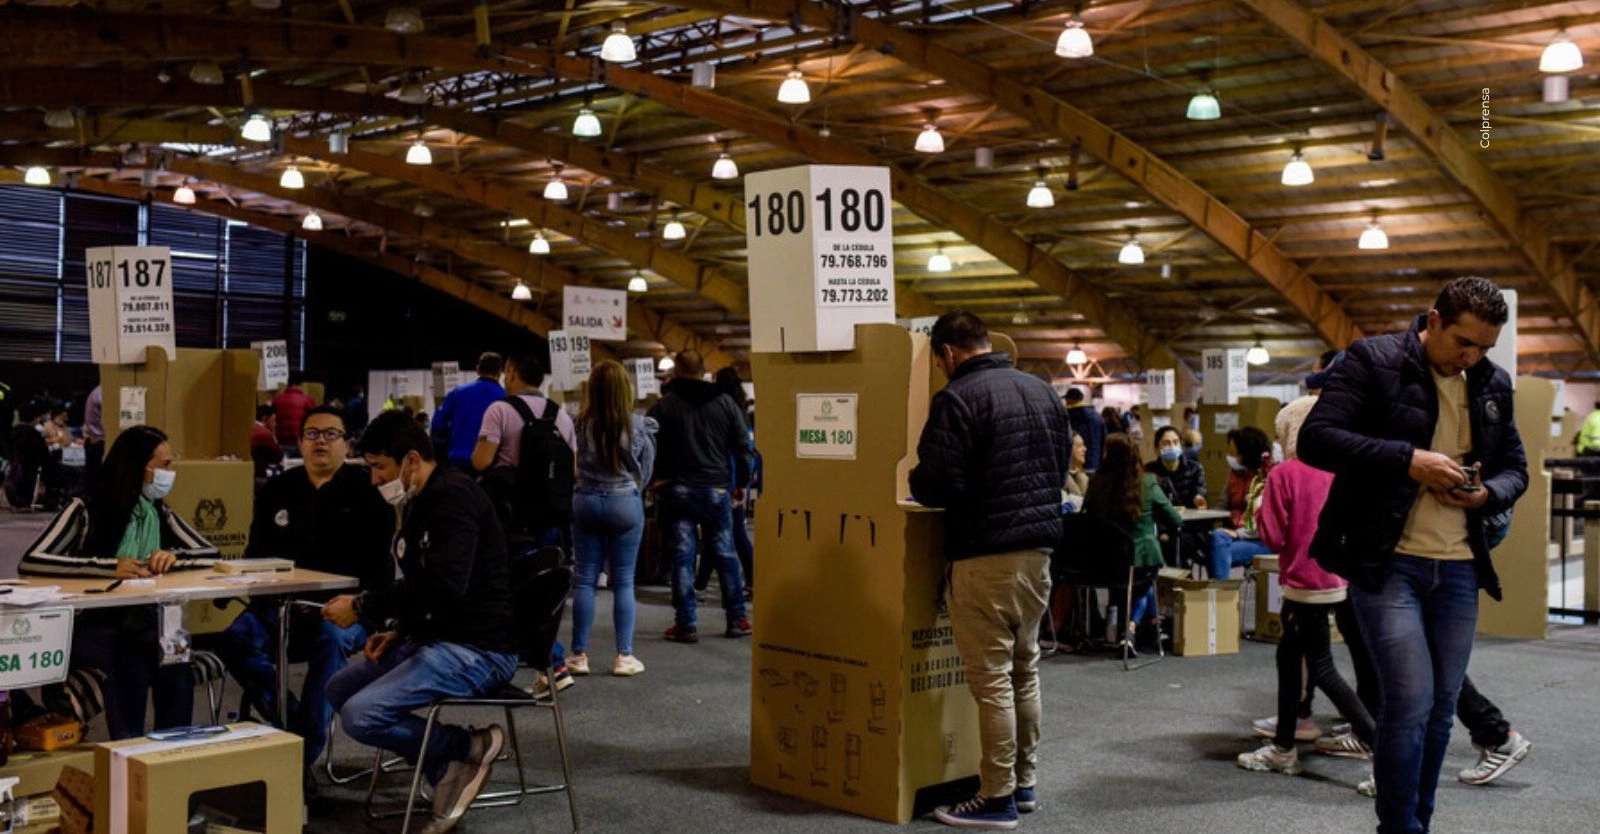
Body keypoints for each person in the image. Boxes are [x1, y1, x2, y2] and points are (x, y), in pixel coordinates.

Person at [1300, 276, 1528, 834]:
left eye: (1483, 348)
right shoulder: (1373, 361)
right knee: (1409, 701)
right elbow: (1317, 439)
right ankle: (1398, 828)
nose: (1471, 357)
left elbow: (1515, 468)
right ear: (1432, 321)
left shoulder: (1492, 383)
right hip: (1387, 561)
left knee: (1441, 708)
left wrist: (1485, 493)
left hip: (1458, 566)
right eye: (1462, 343)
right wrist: (1409, 460)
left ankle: (1418, 822)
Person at [909, 311, 1069, 829]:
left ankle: (996, 796)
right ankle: (1024, 783)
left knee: (992, 680)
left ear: (949, 352)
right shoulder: (1043, 391)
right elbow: (1061, 465)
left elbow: (935, 482)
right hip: (1039, 554)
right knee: (1026, 670)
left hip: (985, 554)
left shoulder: (958, 398)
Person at [322, 412, 518, 834]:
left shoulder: (454, 499)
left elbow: (445, 586)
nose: (375, 479)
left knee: (361, 716)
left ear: (410, 460)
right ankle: (450, 767)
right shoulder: (423, 501)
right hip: (439, 637)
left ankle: (466, 748)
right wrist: (402, 631)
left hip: (479, 649)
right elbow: (430, 591)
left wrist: (362, 606)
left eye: (379, 467)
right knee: (338, 689)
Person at [218, 405, 394, 770]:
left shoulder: (368, 492)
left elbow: (380, 569)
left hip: (346, 610)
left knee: (329, 640)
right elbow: (256, 555)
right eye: (312, 434)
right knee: (234, 637)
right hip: (279, 605)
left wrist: (356, 605)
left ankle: (302, 757)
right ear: (298, 442)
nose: (321, 442)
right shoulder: (277, 490)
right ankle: (294, 725)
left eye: (331, 434)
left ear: (347, 444)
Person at [20, 425, 217, 739]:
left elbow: (211, 553)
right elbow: (33, 560)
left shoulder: (158, 513)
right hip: (91, 626)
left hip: (148, 622)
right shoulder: (85, 509)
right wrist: (108, 567)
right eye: (164, 465)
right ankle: (130, 753)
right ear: (137, 467)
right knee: (132, 658)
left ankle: (174, 751)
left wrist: (174, 557)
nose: (171, 472)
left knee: (176, 657)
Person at [1237, 395, 1377, 791]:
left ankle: (1384, 750)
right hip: (1336, 578)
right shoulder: (1339, 470)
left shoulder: (1286, 474)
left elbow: (1274, 536)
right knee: (1288, 657)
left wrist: (1263, 497)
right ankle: (1283, 747)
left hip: (1302, 582)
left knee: (1323, 668)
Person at [472, 352, 577, 696]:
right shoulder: (561, 416)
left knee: (509, 586)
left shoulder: (499, 410)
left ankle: (553, 661)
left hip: (508, 516)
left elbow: (482, 460)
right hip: (548, 518)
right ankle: (550, 663)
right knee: (539, 587)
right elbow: (571, 471)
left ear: (512, 370)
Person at [649, 350, 753, 644]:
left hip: (677, 490)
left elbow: (649, 444)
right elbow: (743, 446)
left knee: (682, 557)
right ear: (703, 369)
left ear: (678, 370)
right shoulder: (725, 403)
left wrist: (654, 480)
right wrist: (742, 482)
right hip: (716, 490)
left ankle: (686, 624)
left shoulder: (665, 406)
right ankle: (736, 618)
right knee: (725, 552)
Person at [568, 361, 657, 678]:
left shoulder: (579, 423)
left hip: (585, 501)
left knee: (584, 580)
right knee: (623, 581)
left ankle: (579, 655)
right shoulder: (637, 424)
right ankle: (624, 656)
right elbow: (645, 471)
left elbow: (571, 463)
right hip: (624, 503)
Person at [1083, 433, 1182, 635]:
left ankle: (1143, 625)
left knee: (1126, 582)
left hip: (1105, 560)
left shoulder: (1096, 483)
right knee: (1145, 582)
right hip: (1142, 557)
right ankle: (1134, 626)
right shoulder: (1148, 482)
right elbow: (1175, 520)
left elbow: (1086, 516)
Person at [695, 367, 756, 597]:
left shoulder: (721, 410)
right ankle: (748, 580)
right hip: (736, 479)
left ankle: (702, 585)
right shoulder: (740, 412)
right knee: (731, 533)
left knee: (722, 535)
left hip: (723, 479)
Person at [1208, 426, 1274, 580]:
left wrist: (1238, 533)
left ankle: (1219, 596)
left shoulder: (1268, 478)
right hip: (1235, 535)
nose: (1228, 456)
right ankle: (1217, 596)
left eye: (1233, 452)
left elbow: (1265, 523)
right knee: (1213, 541)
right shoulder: (1233, 475)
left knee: (1216, 551)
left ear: (1246, 453)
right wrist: (1206, 512)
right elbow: (1222, 506)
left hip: (1262, 540)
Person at [431, 353, 506, 472]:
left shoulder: (458, 393)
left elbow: (437, 424)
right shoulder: (505, 397)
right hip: (490, 466)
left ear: (477, 369)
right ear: (500, 372)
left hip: (456, 462)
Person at [1147, 425, 1206, 509]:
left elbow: (1199, 491)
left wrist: (1198, 498)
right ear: (1156, 449)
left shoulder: (1195, 469)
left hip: (1190, 518)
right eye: (1166, 443)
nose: (1172, 446)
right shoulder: (1149, 470)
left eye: (1175, 442)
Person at [1063, 387, 1105, 473]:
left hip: (1075, 464)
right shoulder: (1097, 417)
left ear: (1069, 400)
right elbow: (1104, 440)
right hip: (1095, 463)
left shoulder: (1068, 417)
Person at [272, 373, 319, 449]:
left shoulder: (277, 399)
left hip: (281, 441)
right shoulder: (307, 400)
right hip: (300, 441)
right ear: (299, 384)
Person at [250, 404, 283, 481]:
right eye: (273, 420)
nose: (275, 424)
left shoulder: (251, 427)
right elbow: (278, 455)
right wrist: (273, 435)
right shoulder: (264, 433)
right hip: (259, 474)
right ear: (265, 418)